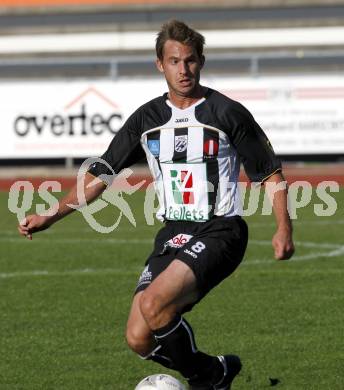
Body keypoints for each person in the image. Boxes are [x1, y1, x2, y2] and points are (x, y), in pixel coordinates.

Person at [18, 20, 295, 390]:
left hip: (221, 231)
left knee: (154, 305)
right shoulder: (146, 120)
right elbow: (101, 173)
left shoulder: (228, 114)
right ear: (159, 65)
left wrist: (283, 229)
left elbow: (269, 174)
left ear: (202, 61)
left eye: (191, 61)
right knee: (138, 337)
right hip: (173, 233)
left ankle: (205, 380)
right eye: (175, 61)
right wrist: (50, 215)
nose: (184, 70)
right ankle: (215, 371)